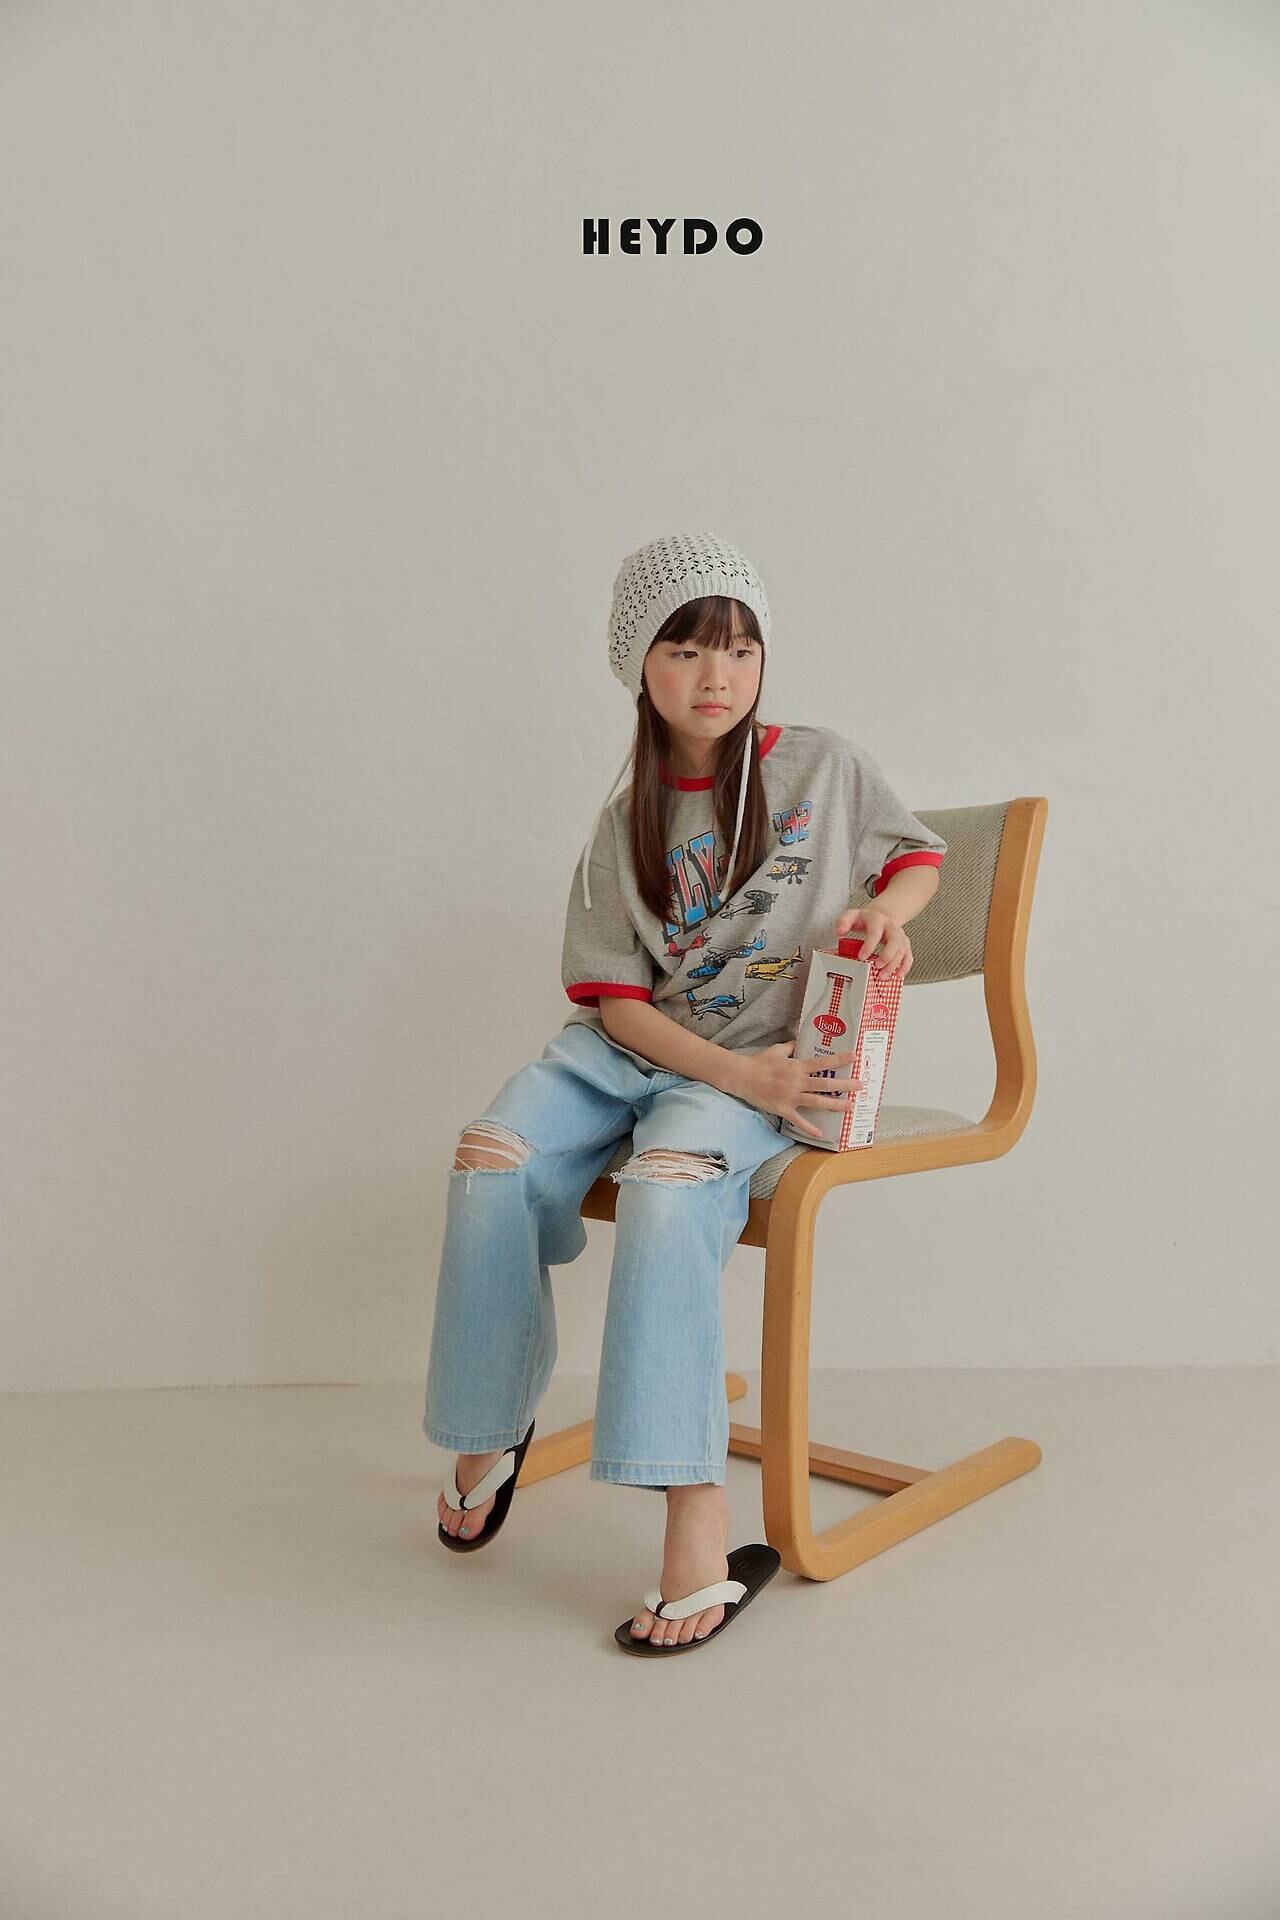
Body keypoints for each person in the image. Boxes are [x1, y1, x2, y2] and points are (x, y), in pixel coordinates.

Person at [423, 531, 947, 1651]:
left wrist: (884, 917)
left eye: (741, 650)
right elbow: (617, 1007)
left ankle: (695, 1523)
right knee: (489, 1159)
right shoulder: (621, 823)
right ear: (639, 666)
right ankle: (489, 1425)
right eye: (687, 650)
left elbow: (914, 858)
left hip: (762, 1057)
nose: (719, 675)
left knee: (666, 1189)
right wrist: (733, 1073)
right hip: (639, 1051)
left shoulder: (823, 768)